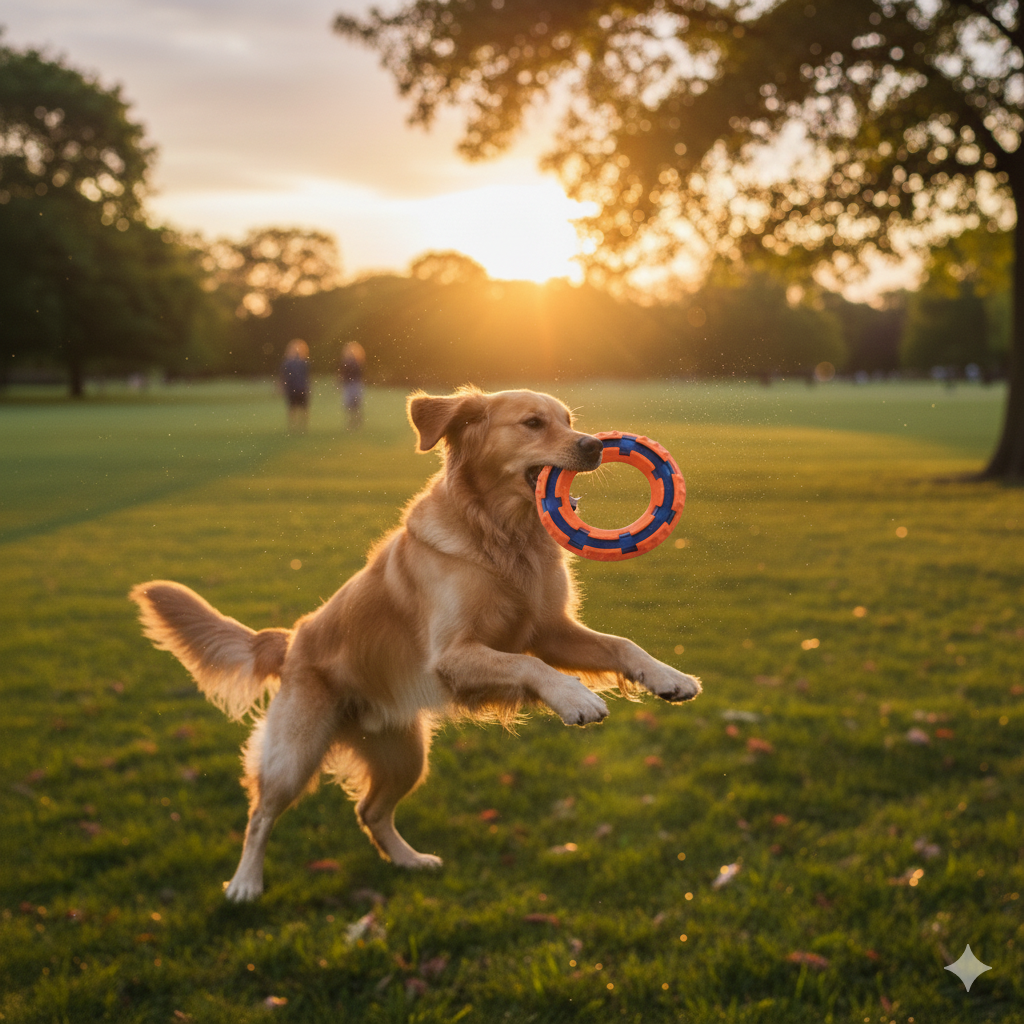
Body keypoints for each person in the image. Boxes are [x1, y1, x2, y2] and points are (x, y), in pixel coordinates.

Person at [280, 339, 310, 432]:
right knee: (292, 408)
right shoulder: (287, 362)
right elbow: (283, 376)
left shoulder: (304, 362)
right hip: (291, 388)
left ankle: (302, 426)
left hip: (302, 388)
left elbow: (307, 376)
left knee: (303, 408)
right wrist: (282, 387)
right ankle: (293, 426)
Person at [338, 341, 365, 430]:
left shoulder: (357, 361)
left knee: (356, 404)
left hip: (355, 384)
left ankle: (356, 420)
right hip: (348, 384)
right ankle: (352, 421)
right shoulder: (346, 361)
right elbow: (343, 373)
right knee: (349, 404)